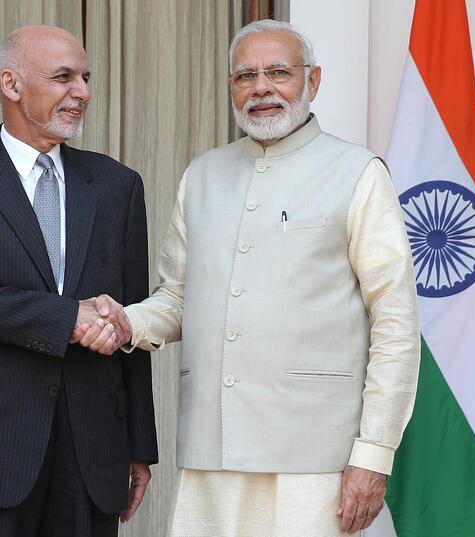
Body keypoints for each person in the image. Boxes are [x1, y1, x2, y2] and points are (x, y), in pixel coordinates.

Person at [73, 19, 420, 537]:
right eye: (245, 76)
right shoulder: (204, 175)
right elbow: (177, 298)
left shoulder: (358, 172)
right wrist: (125, 321)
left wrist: (374, 454)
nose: (261, 88)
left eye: (279, 72)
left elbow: (396, 323)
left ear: (314, 81)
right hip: (213, 452)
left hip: (317, 458)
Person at [0, 25, 158, 537]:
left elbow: (130, 317)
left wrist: (138, 445)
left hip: (92, 451)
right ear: (12, 84)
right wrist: (69, 318)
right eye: (63, 77)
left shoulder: (117, 186)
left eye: (85, 78)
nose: (82, 92)